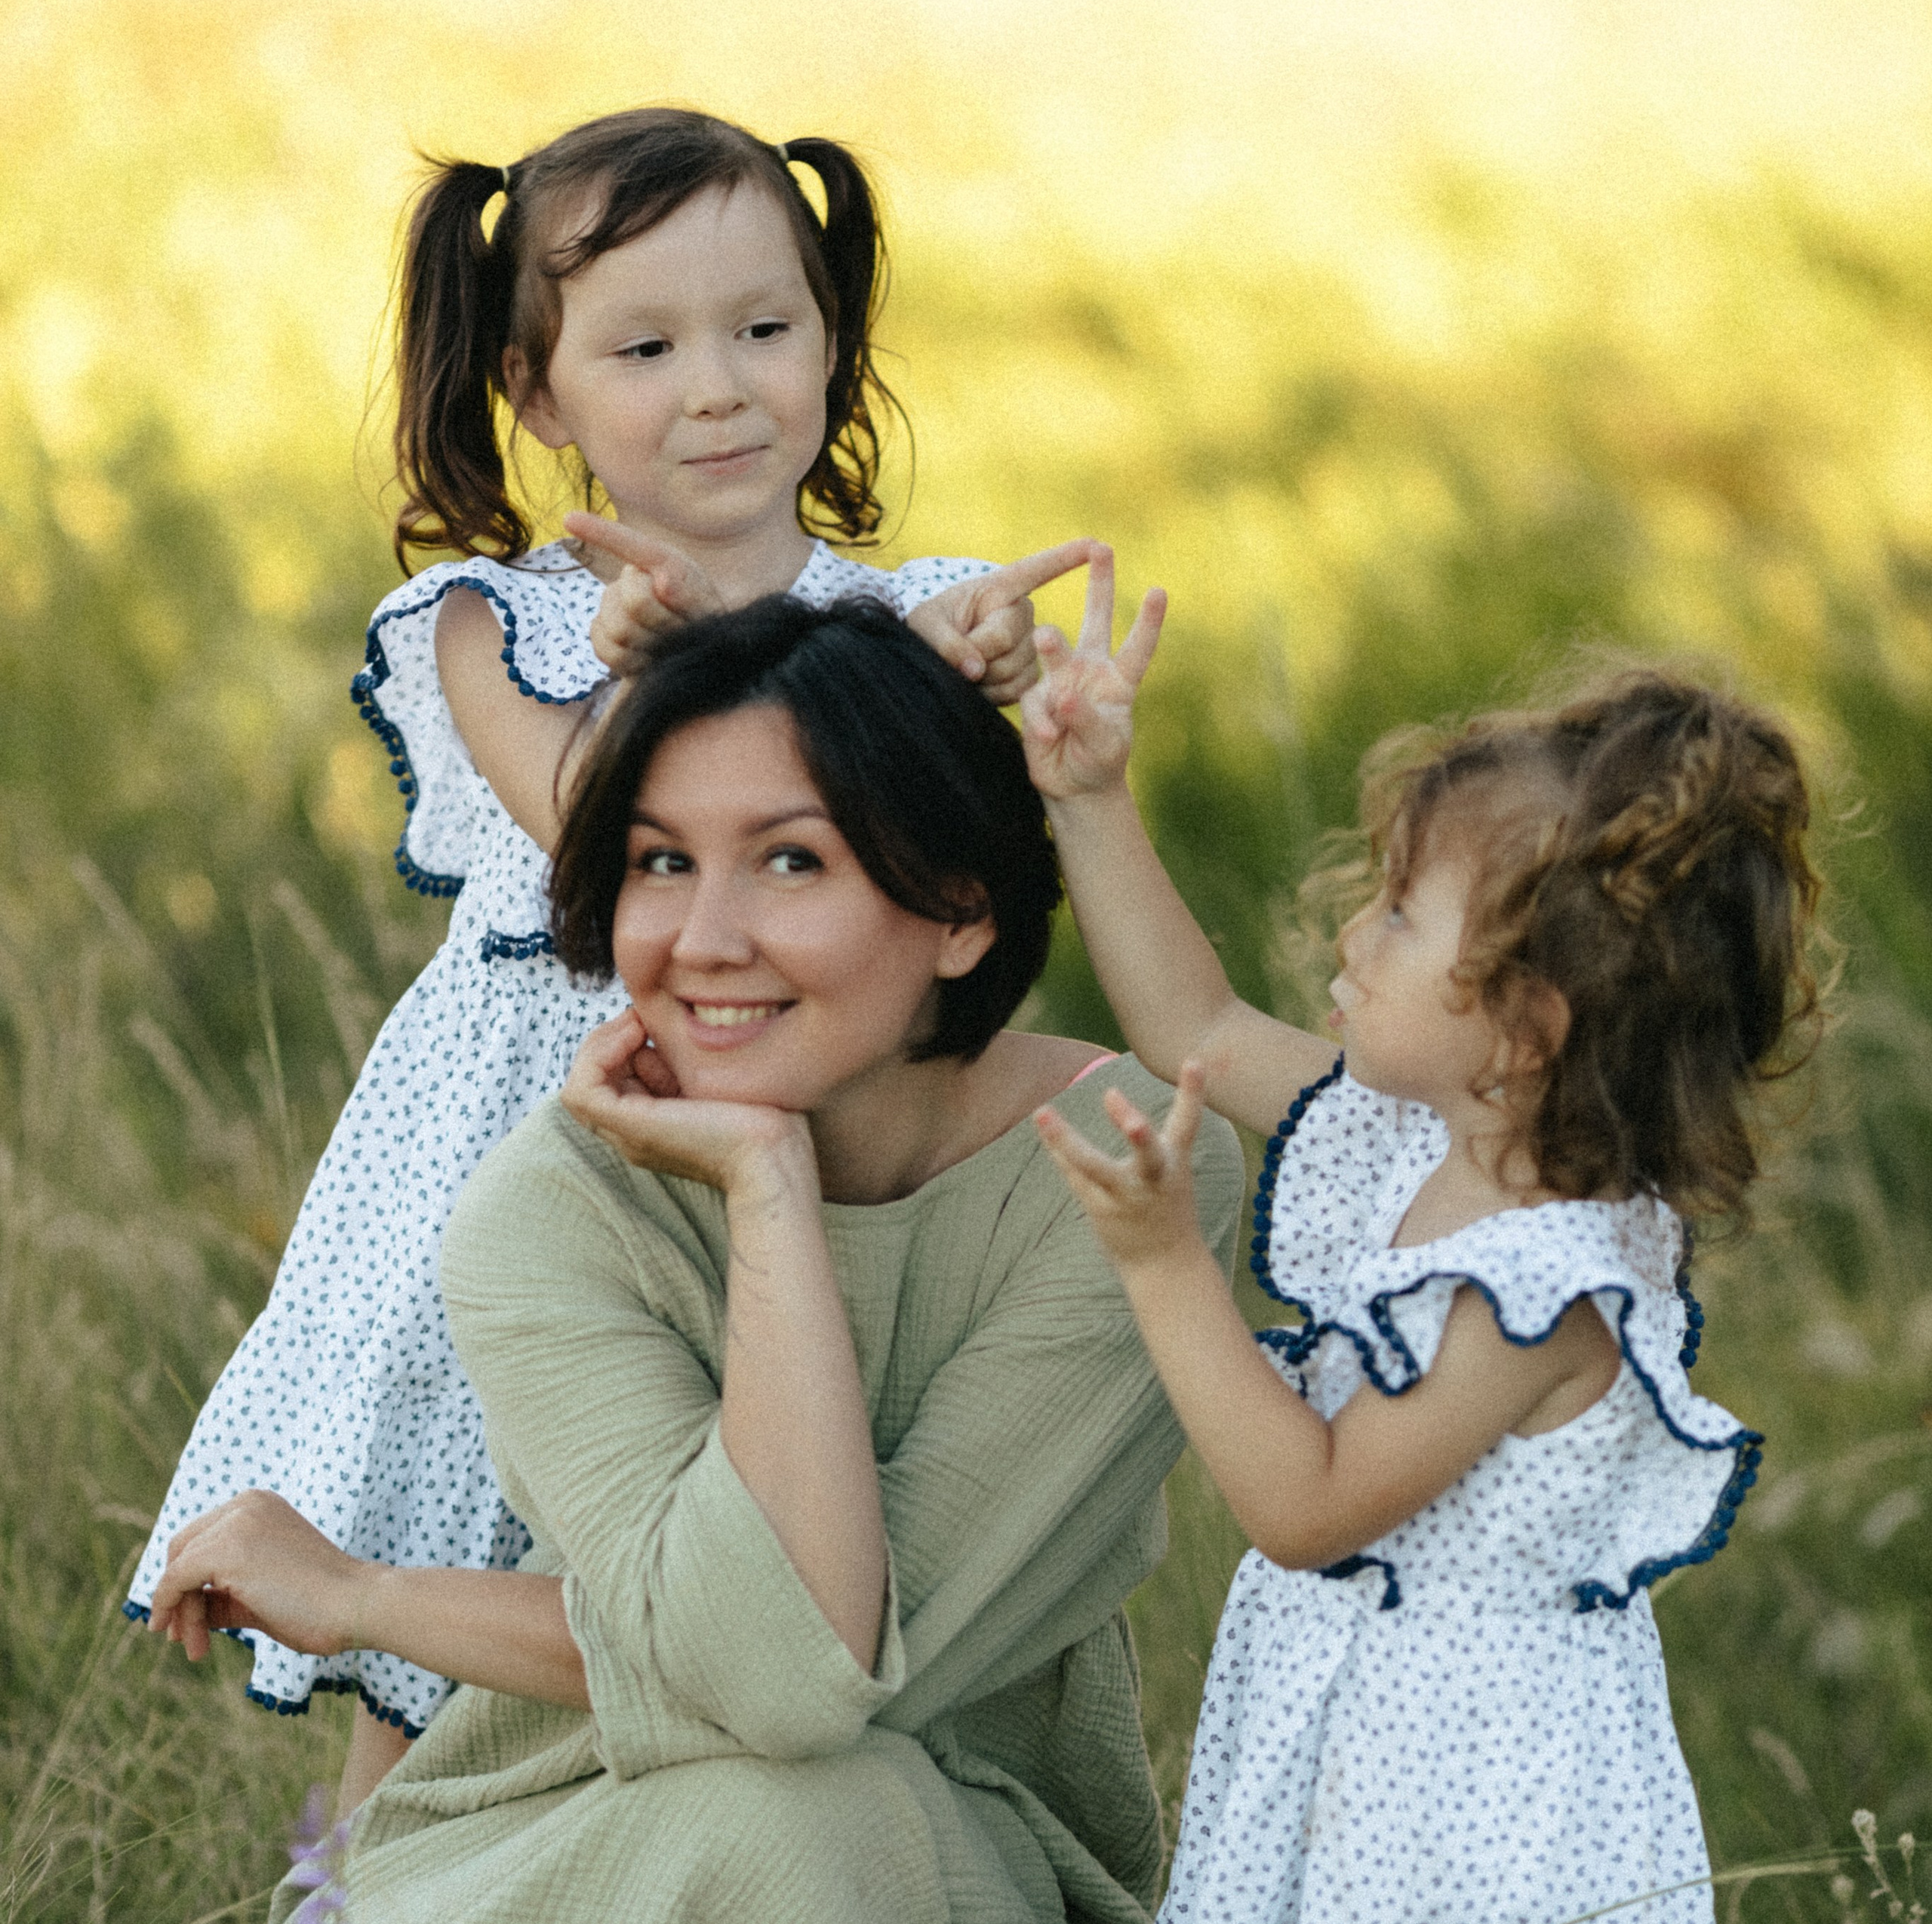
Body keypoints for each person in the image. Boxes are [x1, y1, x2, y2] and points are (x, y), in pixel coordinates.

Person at [125, 103, 1088, 1810]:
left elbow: (944, 849)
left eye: (763, 330)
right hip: (545, 1138)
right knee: (445, 1646)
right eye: (644, 345)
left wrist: (967, 690)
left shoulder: (909, 614)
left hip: (795, 1148)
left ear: (832, 341)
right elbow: (602, 837)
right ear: (537, 391)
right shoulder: (496, 623)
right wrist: (688, 673)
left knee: (726, 1571)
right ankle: (365, 1887)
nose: (715, 385)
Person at [146, 593, 1246, 1923]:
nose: (703, 940)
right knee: (797, 1821)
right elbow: (773, 1678)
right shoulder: (550, 1212)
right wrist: (767, 1184)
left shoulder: (1119, 1178)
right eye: (660, 863)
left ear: (961, 908)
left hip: (953, 1846)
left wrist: (378, 1598)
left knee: (816, 1816)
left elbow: (809, 1681)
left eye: (790, 862)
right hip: (549, 1839)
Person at [1020, 555, 1820, 1922]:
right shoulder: (1414, 1137)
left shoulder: (1552, 1285)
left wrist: (1166, 1267)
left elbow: (1308, 1509)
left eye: (1398, 912)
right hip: (1355, 1747)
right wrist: (1090, 796)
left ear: (1525, 1027)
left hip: (1471, 1816)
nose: (1351, 931)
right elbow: (1195, 1029)